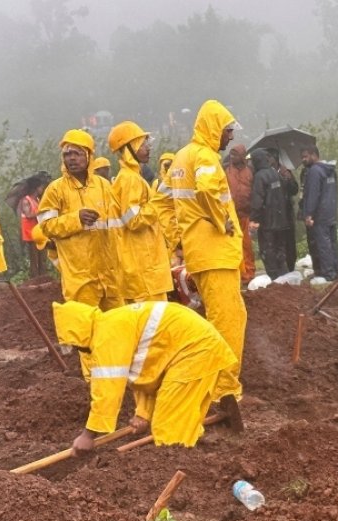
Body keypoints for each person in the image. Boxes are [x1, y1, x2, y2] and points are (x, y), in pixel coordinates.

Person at [52, 300, 242, 454]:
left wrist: (88, 435)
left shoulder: (106, 337)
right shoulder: (110, 324)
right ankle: (187, 454)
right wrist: (142, 413)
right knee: (177, 421)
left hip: (195, 350)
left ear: (79, 333)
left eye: (74, 344)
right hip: (191, 349)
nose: (78, 350)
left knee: (168, 429)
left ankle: (177, 465)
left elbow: (107, 392)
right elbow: (149, 373)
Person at [167, 99, 246, 403]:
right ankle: (224, 390)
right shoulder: (205, 157)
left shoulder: (181, 157)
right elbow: (206, 189)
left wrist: (177, 240)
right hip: (215, 251)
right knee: (229, 321)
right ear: (214, 128)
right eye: (227, 130)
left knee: (216, 319)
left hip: (200, 252)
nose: (230, 137)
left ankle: (209, 384)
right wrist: (221, 219)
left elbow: (164, 203)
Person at [38, 129, 123, 308]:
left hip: (109, 277)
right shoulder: (55, 190)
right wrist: (76, 219)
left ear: (88, 156)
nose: (71, 158)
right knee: (84, 329)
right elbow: (46, 226)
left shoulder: (104, 187)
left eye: (76, 153)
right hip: (80, 279)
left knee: (116, 328)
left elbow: (118, 227)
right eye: (67, 154)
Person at [107, 121, 174, 303]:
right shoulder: (130, 180)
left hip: (146, 267)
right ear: (130, 148)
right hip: (144, 269)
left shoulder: (132, 177)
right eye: (143, 144)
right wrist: (158, 203)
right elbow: (134, 220)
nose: (148, 148)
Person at [248, 148, 297, 279]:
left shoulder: (259, 177)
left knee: (268, 251)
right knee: (280, 251)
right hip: (281, 223)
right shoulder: (276, 174)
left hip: (267, 224)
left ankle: (275, 279)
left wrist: (253, 219)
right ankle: (284, 277)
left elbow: (257, 201)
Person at [299, 144, 338, 281]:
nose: (303, 160)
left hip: (320, 215)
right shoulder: (330, 170)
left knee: (323, 245)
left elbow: (313, 195)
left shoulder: (314, 171)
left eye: (305, 157)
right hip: (331, 212)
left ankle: (328, 274)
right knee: (332, 244)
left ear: (314, 155)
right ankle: (336, 270)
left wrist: (308, 214)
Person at [224, 143, 256, 282]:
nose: (232, 157)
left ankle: (249, 272)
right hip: (231, 215)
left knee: (247, 245)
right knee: (233, 245)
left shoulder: (250, 171)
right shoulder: (226, 170)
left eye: (235, 154)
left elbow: (255, 190)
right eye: (231, 154)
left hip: (246, 214)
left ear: (242, 156)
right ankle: (237, 273)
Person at [19, 179, 48, 278]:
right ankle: (35, 279)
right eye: (40, 187)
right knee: (34, 259)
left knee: (42, 259)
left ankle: (43, 278)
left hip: (40, 233)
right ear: (36, 188)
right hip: (30, 234)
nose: (42, 189)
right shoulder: (26, 200)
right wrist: (42, 212)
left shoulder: (38, 200)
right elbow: (28, 214)